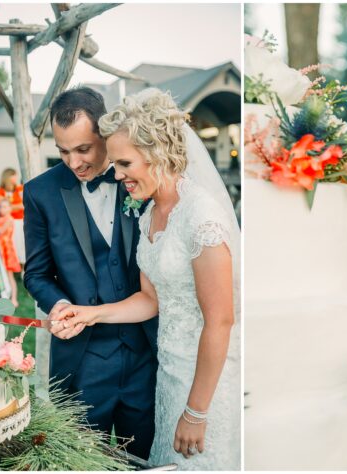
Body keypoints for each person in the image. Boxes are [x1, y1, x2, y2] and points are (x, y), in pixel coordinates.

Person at [50, 89, 241, 470]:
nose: (117, 174)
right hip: (169, 376)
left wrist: (197, 412)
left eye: (124, 163)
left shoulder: (201, 216)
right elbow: (150, 300)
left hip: (206, 383)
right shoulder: (149, 213)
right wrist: (92, 314)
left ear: (157, 155)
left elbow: (220, 321)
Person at [22, 86, 158, 460]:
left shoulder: (137, 179)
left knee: (145, 457)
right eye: (63, 151)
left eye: (83, 149)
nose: (73, 162)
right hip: (82, 362)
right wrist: (61, 304)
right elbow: (34, 274)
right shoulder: (39, 193)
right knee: (83, 461)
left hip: (144, 354)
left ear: (105, 135)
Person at [0, 198, 21, 307]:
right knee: (0, 274)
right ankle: (3, 297)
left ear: (10, 208)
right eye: (0, 207)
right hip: (0, 248)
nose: (2, 209)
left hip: (7, 249)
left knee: (10, 276)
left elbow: (0, 231)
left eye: (5, 207)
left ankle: (14, 299)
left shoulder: (9, 219)